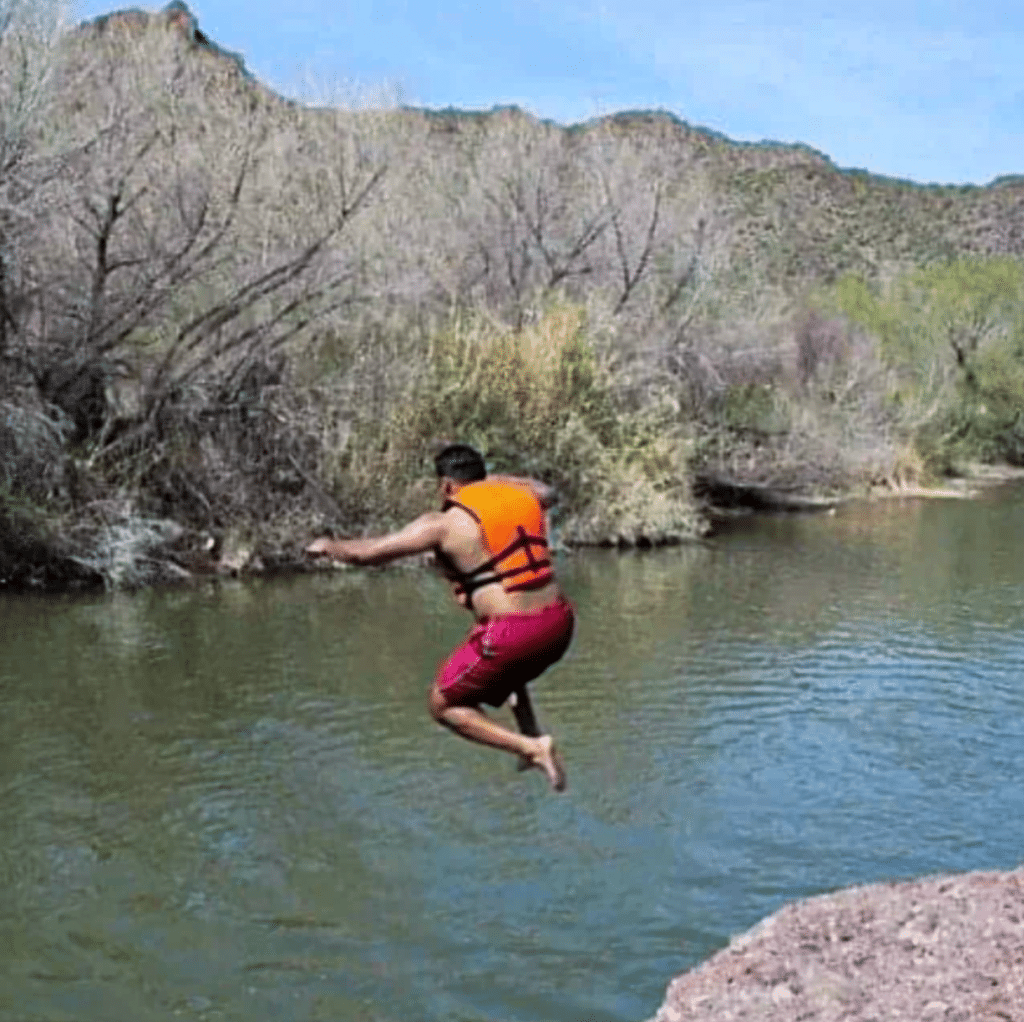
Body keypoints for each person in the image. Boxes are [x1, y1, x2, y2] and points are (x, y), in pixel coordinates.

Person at [305, 443, 574, 792]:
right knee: (507, 669)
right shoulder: (528, 499)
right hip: (559, 623)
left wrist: (327, 546)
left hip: (514, 634)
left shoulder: (444, 524)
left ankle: (533, 748)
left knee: (443, 704)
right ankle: (530, 731)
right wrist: (493, 480)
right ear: (483, 476)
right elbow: (548, 491)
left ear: (446, 486)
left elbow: (368, 554)